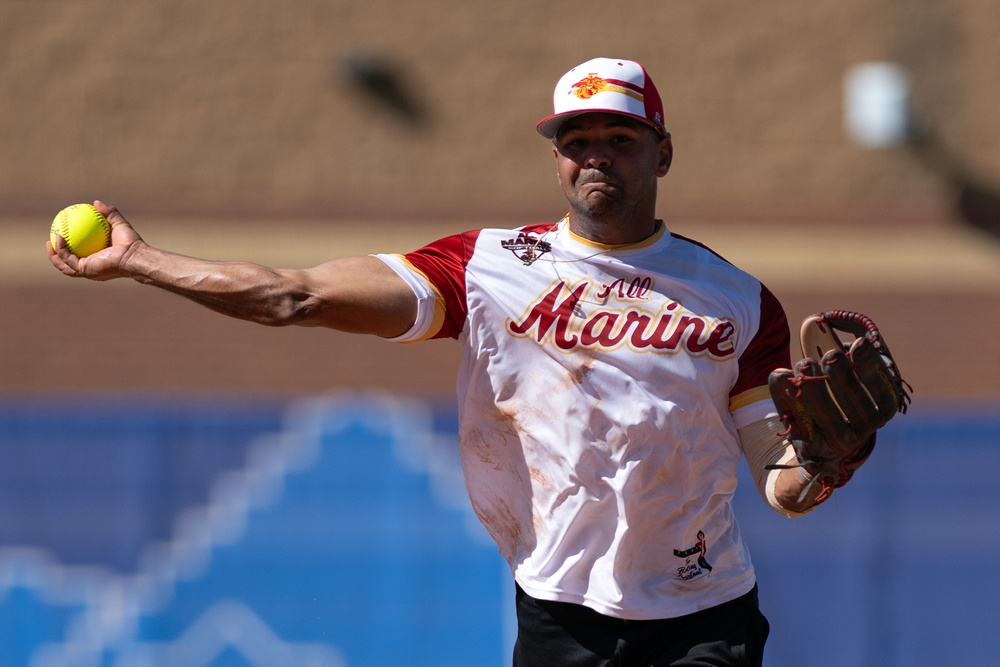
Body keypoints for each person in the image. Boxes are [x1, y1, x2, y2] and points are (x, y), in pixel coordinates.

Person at [49, 57, 830, 666]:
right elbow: (297, 296)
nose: (596, 157)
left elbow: (784, 482)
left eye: (620, 140)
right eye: (576, 140)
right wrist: (142, 261)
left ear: (662, 153)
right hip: (559, 609)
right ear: (556, 156)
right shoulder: (489, 268)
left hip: (703, 612)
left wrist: (836, 454)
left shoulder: (735, 299)